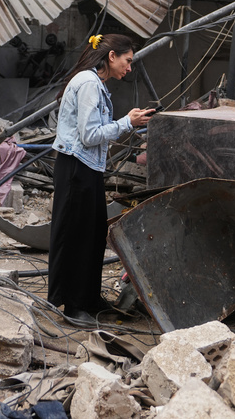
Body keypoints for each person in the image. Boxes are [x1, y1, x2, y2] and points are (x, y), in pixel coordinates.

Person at [48, 33, 155, 327]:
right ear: (111, 56)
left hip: (88, 168)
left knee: (93, 235)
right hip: (75, 168)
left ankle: (88, 298)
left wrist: (125, 123)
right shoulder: (88, 84)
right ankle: (71, 306)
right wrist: (126, 123)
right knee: (76, 236)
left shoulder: (98, 85)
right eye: (128, 61)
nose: (129, 68)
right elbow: (89, 135)